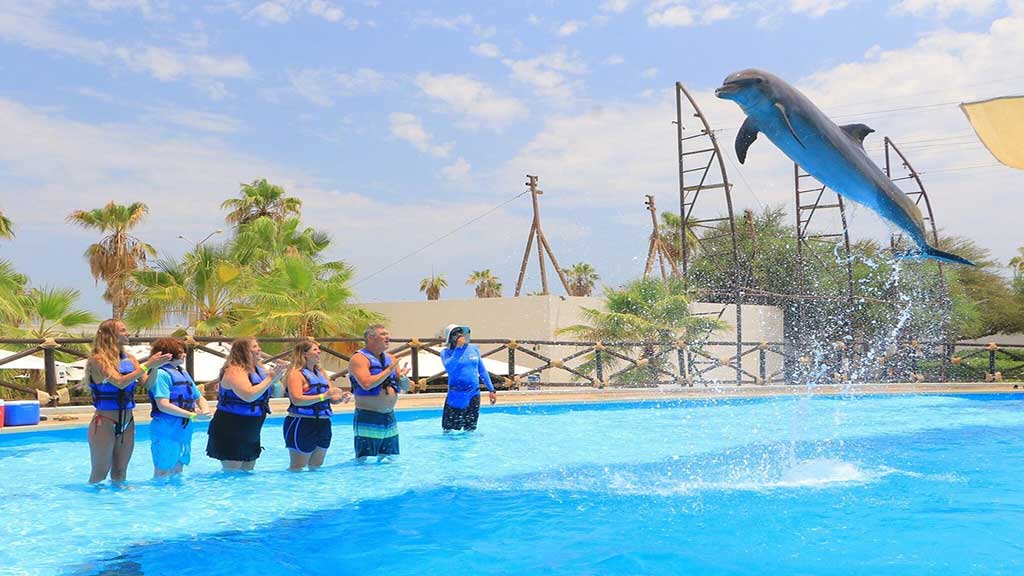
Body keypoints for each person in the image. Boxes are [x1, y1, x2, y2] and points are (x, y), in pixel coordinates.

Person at [85, 319, 171, 484]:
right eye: (123, 330)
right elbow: (120, 381)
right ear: (111, 335)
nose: (128, 333)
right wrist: (148, 364)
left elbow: (148, 383)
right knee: (100, 473)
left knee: (120, 472)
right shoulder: (98, 360)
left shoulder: (130, 359)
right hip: (105, 422)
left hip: (127, 421)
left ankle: (118, 506)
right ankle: (93, 507)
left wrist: (155, 367)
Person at [206, 338, 287, 471]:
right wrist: (270, 378)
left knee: (247, 471)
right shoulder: (234, 371)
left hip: (252, 426)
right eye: (255, 347)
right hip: (231, 426)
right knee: (233, 473)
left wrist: (276, 380)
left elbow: (278, 394)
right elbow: (248, 396)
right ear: (244, 351)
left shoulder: (259, 370)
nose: (259, 349)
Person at [146, 337, 211, 478]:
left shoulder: (183, 372)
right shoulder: (161, 374)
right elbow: (163, 405)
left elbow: (198, 396)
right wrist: (192, 415)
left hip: (183, 427)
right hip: (166, 427)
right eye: (180, 352)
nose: (184, 354)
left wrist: (205, 411)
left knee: (178, 467)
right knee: (163, 469)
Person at [283, 340, 349, 471]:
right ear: (304, 354)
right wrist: (323, 396)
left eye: (319, 349)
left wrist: (341, 397)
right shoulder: (296, 374)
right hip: (302, 423)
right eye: (315, 350)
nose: (319, 352)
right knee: (298, 468)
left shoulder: (322, 373)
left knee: (316, 467)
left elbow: (332, 398)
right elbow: (297, 400)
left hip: (323, 423)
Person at [348, 324, 409, 461]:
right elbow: (367, 384)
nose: (388, 337)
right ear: (370, 337)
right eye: (383, 334)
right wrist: (388, 371)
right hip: (368, 416)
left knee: (389, 460)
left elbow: (405, 387)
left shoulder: (391, 359)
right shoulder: (359, 358)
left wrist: (404, 378)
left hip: (389, 417)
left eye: (388, 334)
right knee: (366, 460)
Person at [440, 324, 496, 432]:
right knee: (449, 430)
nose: (460, 335)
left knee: (470, 429)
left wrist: (491, 389)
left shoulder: (473, 349)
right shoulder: (445, 353)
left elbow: (482, 370)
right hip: (456, 396)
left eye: (460, 332)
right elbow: (450, 368)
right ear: (450, 337)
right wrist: (457, 349)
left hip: (473, 394)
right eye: (455, 333)